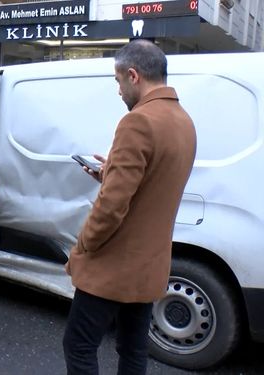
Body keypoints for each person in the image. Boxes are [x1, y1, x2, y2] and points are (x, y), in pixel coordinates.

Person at [63, 39, 197, 374]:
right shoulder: (183, 121)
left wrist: (84, 244)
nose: (119, 90)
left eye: (118, 81)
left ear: (134, 76)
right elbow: (154, 184)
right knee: (133, 350)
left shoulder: (138, 122)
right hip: (149, 264)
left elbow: (111, 207)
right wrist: (111, 173)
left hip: (113, 265)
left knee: (79, 346)